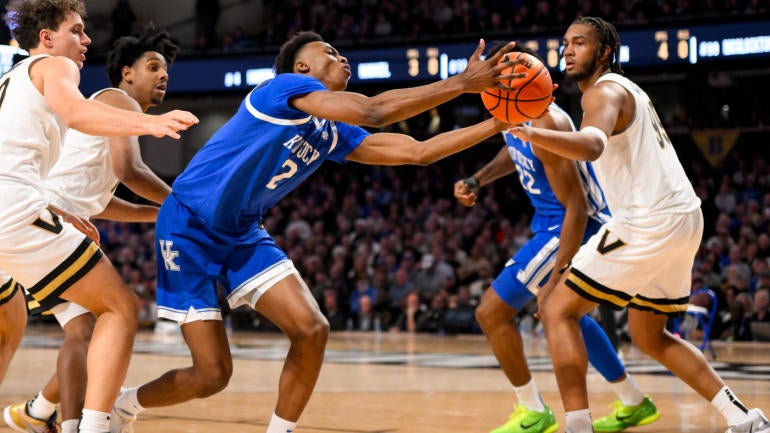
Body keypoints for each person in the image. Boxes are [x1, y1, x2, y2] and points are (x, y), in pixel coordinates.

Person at [108, 30, 521, 433]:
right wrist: (463, 83)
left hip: (242, 233)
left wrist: (497, 123)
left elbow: (417, 152)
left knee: (312, 329)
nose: (343, 58)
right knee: (213, 374)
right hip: (188, 226)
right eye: (330, 51)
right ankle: (124, 405)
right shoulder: (283, 87)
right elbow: (372, 111)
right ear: (303, 65)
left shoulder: (331, 130)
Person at [507, 16, 770, 433]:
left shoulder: (602, 92)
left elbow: (592, 145)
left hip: (648, 220)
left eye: (579, 43)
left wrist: (536, 135)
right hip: (685, 219)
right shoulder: (631, 92)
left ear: (605, 52)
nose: (568, 50)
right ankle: (745, 418)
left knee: (554, 309)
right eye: (565, 43)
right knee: (649, 335)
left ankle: (577, 426)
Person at [0, 1, 197, 433]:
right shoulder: (57, 68)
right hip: (18, 212)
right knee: (121, 308)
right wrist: (153, 126)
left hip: (21, 209)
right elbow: (91, 129)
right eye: (77, 30)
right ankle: (91, 425)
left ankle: (45, 417)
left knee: (67, 325)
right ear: (47, 38)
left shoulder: (14, 77)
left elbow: (23, 167)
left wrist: (57, 210)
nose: (87, 39)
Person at [456, 42, 658, 433]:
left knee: (491, 312)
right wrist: (477, 179)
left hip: (573, 225)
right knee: (570, 317)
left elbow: (576, 208)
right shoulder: (514, 112)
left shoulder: (547, 121)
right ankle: (633, 401)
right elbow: (515, 153)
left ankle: (533, 410)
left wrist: (556, 275)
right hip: (559, 223)